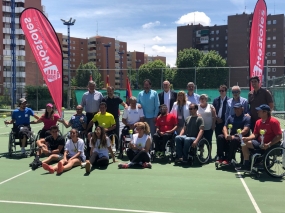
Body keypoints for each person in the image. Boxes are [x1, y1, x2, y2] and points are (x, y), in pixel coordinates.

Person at [237, 104, 282, 171]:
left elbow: (279, 136)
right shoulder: (258, 122)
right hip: (259, 143)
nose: (257, 112)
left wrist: (269, 144)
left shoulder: (274, 122)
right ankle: (246, 164)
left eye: (259, 111)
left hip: (271, 145)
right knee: (244, 143)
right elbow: (255, 134)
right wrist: (247, 138)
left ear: (265, 112)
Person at [102, 86, 128, 150]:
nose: (109, 92)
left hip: (115, 118)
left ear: (113, 91)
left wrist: (126, 107)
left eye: (110, 91)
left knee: (116, 133)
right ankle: (109, 148)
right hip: (107, 119)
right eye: (108, 91)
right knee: (108, 133)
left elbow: (124, 104)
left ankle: (117, 148)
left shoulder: (117, 98)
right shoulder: (104, 99)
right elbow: (101, 107)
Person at [198, 94, 216, 160]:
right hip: (200, 128)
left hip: (209, 127)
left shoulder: (211, 106)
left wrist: (213, 124)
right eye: (201, 98)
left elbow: (214, 116)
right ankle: (201, 154)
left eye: (204, 98)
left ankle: (209, 156)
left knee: (209, 141)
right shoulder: (197, 107)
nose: (202, 100)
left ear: (206, 99)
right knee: (200, 142)